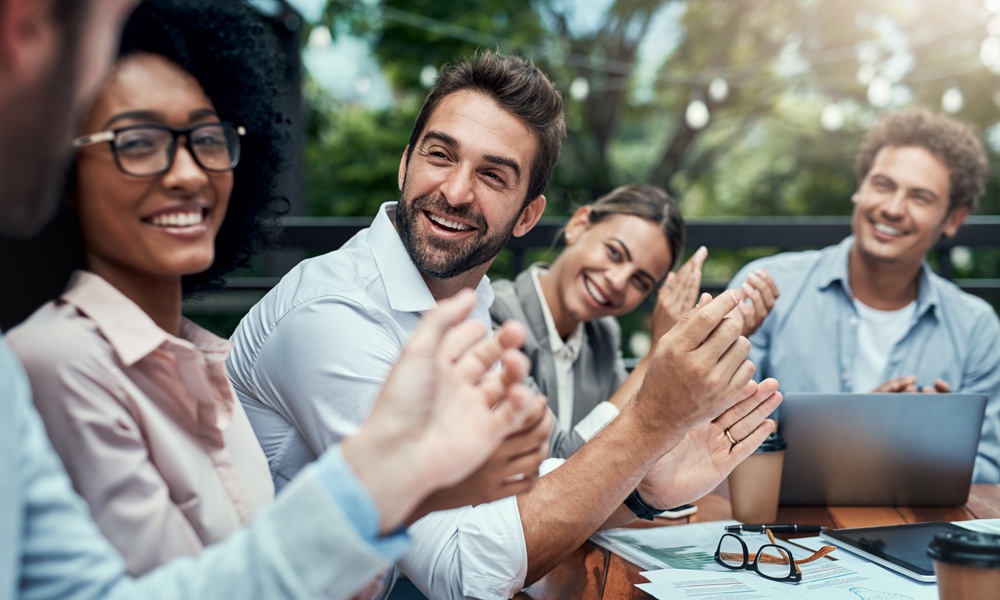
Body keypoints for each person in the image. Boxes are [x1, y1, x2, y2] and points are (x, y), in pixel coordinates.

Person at [0, 0, 546, 597]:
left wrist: (394, 488)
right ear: (67, 168)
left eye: (207, 139)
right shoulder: (51, 362)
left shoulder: (202, 361)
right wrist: (382, 486)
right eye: (138, 143)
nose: (185, 172)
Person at [228, 49, 783, 599]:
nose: (454, 190)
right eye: (441, 155)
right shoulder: (334, 316)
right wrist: (650, 426)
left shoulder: (470, 305)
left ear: (527, 216)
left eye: (493, 175)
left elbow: (525, 487)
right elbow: (460, 571)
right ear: (405, 162)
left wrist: (646, 494)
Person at [729, 107, 1000, 483]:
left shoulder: (976, 328)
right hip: (780, 534)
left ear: (954, 219)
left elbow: (989, 472)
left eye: (920, 197)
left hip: (914, 531)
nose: (892, 208)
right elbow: (719, 437)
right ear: (861, 188)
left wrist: (931, 442)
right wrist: (865, 432)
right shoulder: (767, 287)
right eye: (883, 185)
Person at [491, 183, 779, 458]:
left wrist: (720, 340)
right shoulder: (494, 318)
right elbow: (560, 466)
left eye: (640, 281)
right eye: (614, 253)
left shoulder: (602, 334)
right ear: (578, 225)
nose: (617, 281)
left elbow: (637, 442)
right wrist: (658, 353)